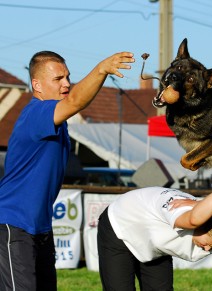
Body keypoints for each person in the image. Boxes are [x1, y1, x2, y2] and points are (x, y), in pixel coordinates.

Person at [0, 50, 135, 290]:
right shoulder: (36, 113)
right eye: (58, 79)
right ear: (36, 85)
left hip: (40, 227)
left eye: (67, 77)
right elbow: (75, 102)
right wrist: (102, 69)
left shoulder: (57, 121)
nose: (67, 83)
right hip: (13, 225)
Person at [97, 181, 212, 291]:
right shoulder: (181, 211)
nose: (207, 249)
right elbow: (193, 219)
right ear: (205, 226)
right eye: (209, 245)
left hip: (155, 243)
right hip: (121, 227)